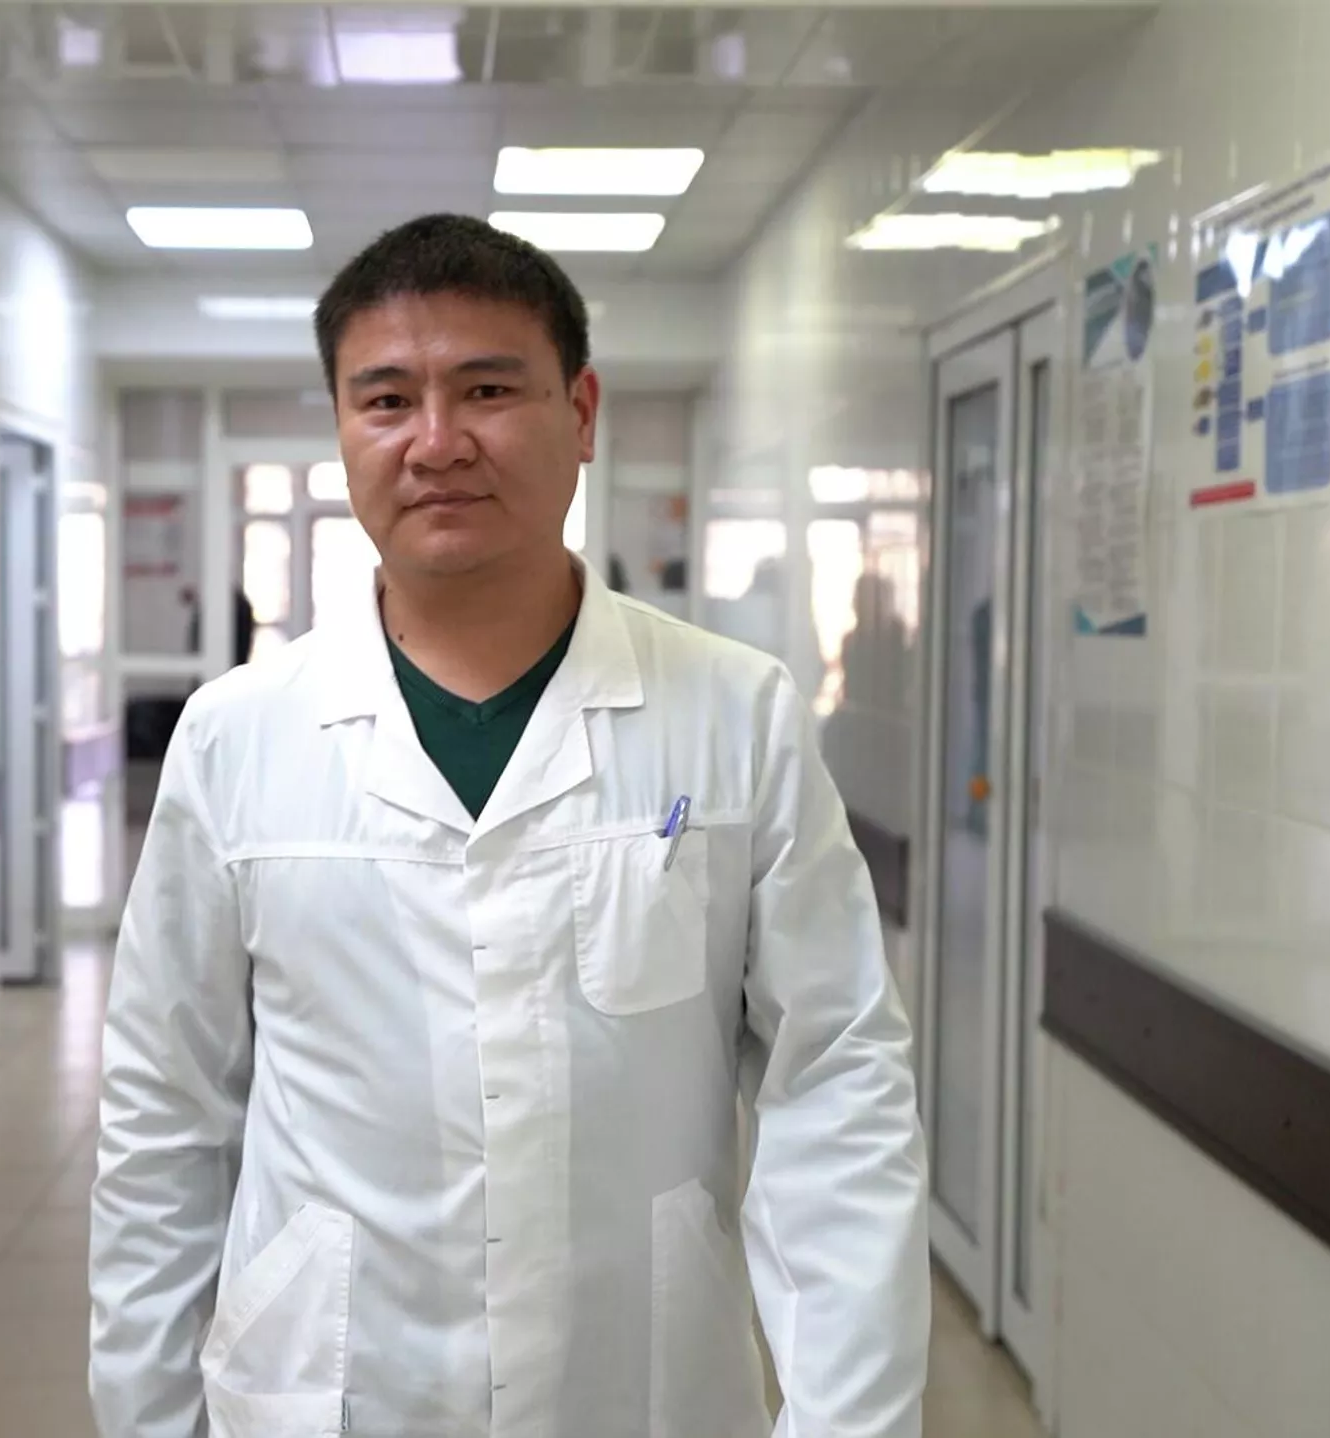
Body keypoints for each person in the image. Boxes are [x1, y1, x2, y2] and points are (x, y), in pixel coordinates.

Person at [90, 214, 929, 1438]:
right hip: (332, 1397)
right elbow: (164, 1117)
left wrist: (851, 1422)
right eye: (387, 399)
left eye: (487, 388)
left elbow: (837, 1086)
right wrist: (149, 1418)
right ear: (342, 426)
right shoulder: (236, 737)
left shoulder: (735, 715)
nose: (437, 441)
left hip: (641, 1394)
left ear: (580, 412)